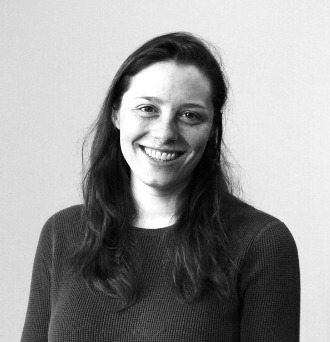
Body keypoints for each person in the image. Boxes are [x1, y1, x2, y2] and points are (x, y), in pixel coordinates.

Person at [21, 32, 300, 341]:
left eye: (190, 115)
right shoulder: (62, 233)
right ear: (116, 113)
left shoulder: (261, 242)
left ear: (211, 130)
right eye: (147, 109)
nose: (165, 133)